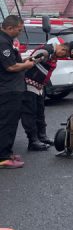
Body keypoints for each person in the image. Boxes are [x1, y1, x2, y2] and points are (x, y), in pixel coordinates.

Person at [21, 38, 71, 151]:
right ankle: (33, 141)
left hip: (39, 87)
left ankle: (42, 137)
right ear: (62, 49)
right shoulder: (45, 51)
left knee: (40, 112)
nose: (62, 57)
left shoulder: (53, 54)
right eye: (64, 55)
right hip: (28, 85)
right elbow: (27, 65)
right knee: (30, 113)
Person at [0, 16, 36, 168]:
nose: (20, 33)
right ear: (9, 28)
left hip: (11, 88)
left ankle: (6, 152)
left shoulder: (6, 41)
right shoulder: (3, 42)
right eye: (18, 30)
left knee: (9, 122)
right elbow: (11, 67)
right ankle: (3, 158)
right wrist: (27, 65)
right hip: (8, 89)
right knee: (7, 124)